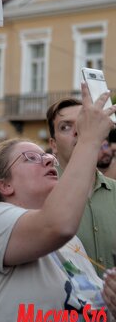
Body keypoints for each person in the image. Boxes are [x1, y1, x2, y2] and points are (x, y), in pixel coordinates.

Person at [0, 84, 116, 322]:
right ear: (4, 185)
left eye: (48, 159)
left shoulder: (72, 243)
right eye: (31, 158)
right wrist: (89, 138)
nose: (47, 160)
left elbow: (91, 313)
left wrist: (110, 303)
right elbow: (58, 224)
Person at [47, 96, 116, 277]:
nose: (78, 131)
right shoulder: (42, 195)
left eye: (84, 122)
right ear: (53, 144)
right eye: (65, 127)